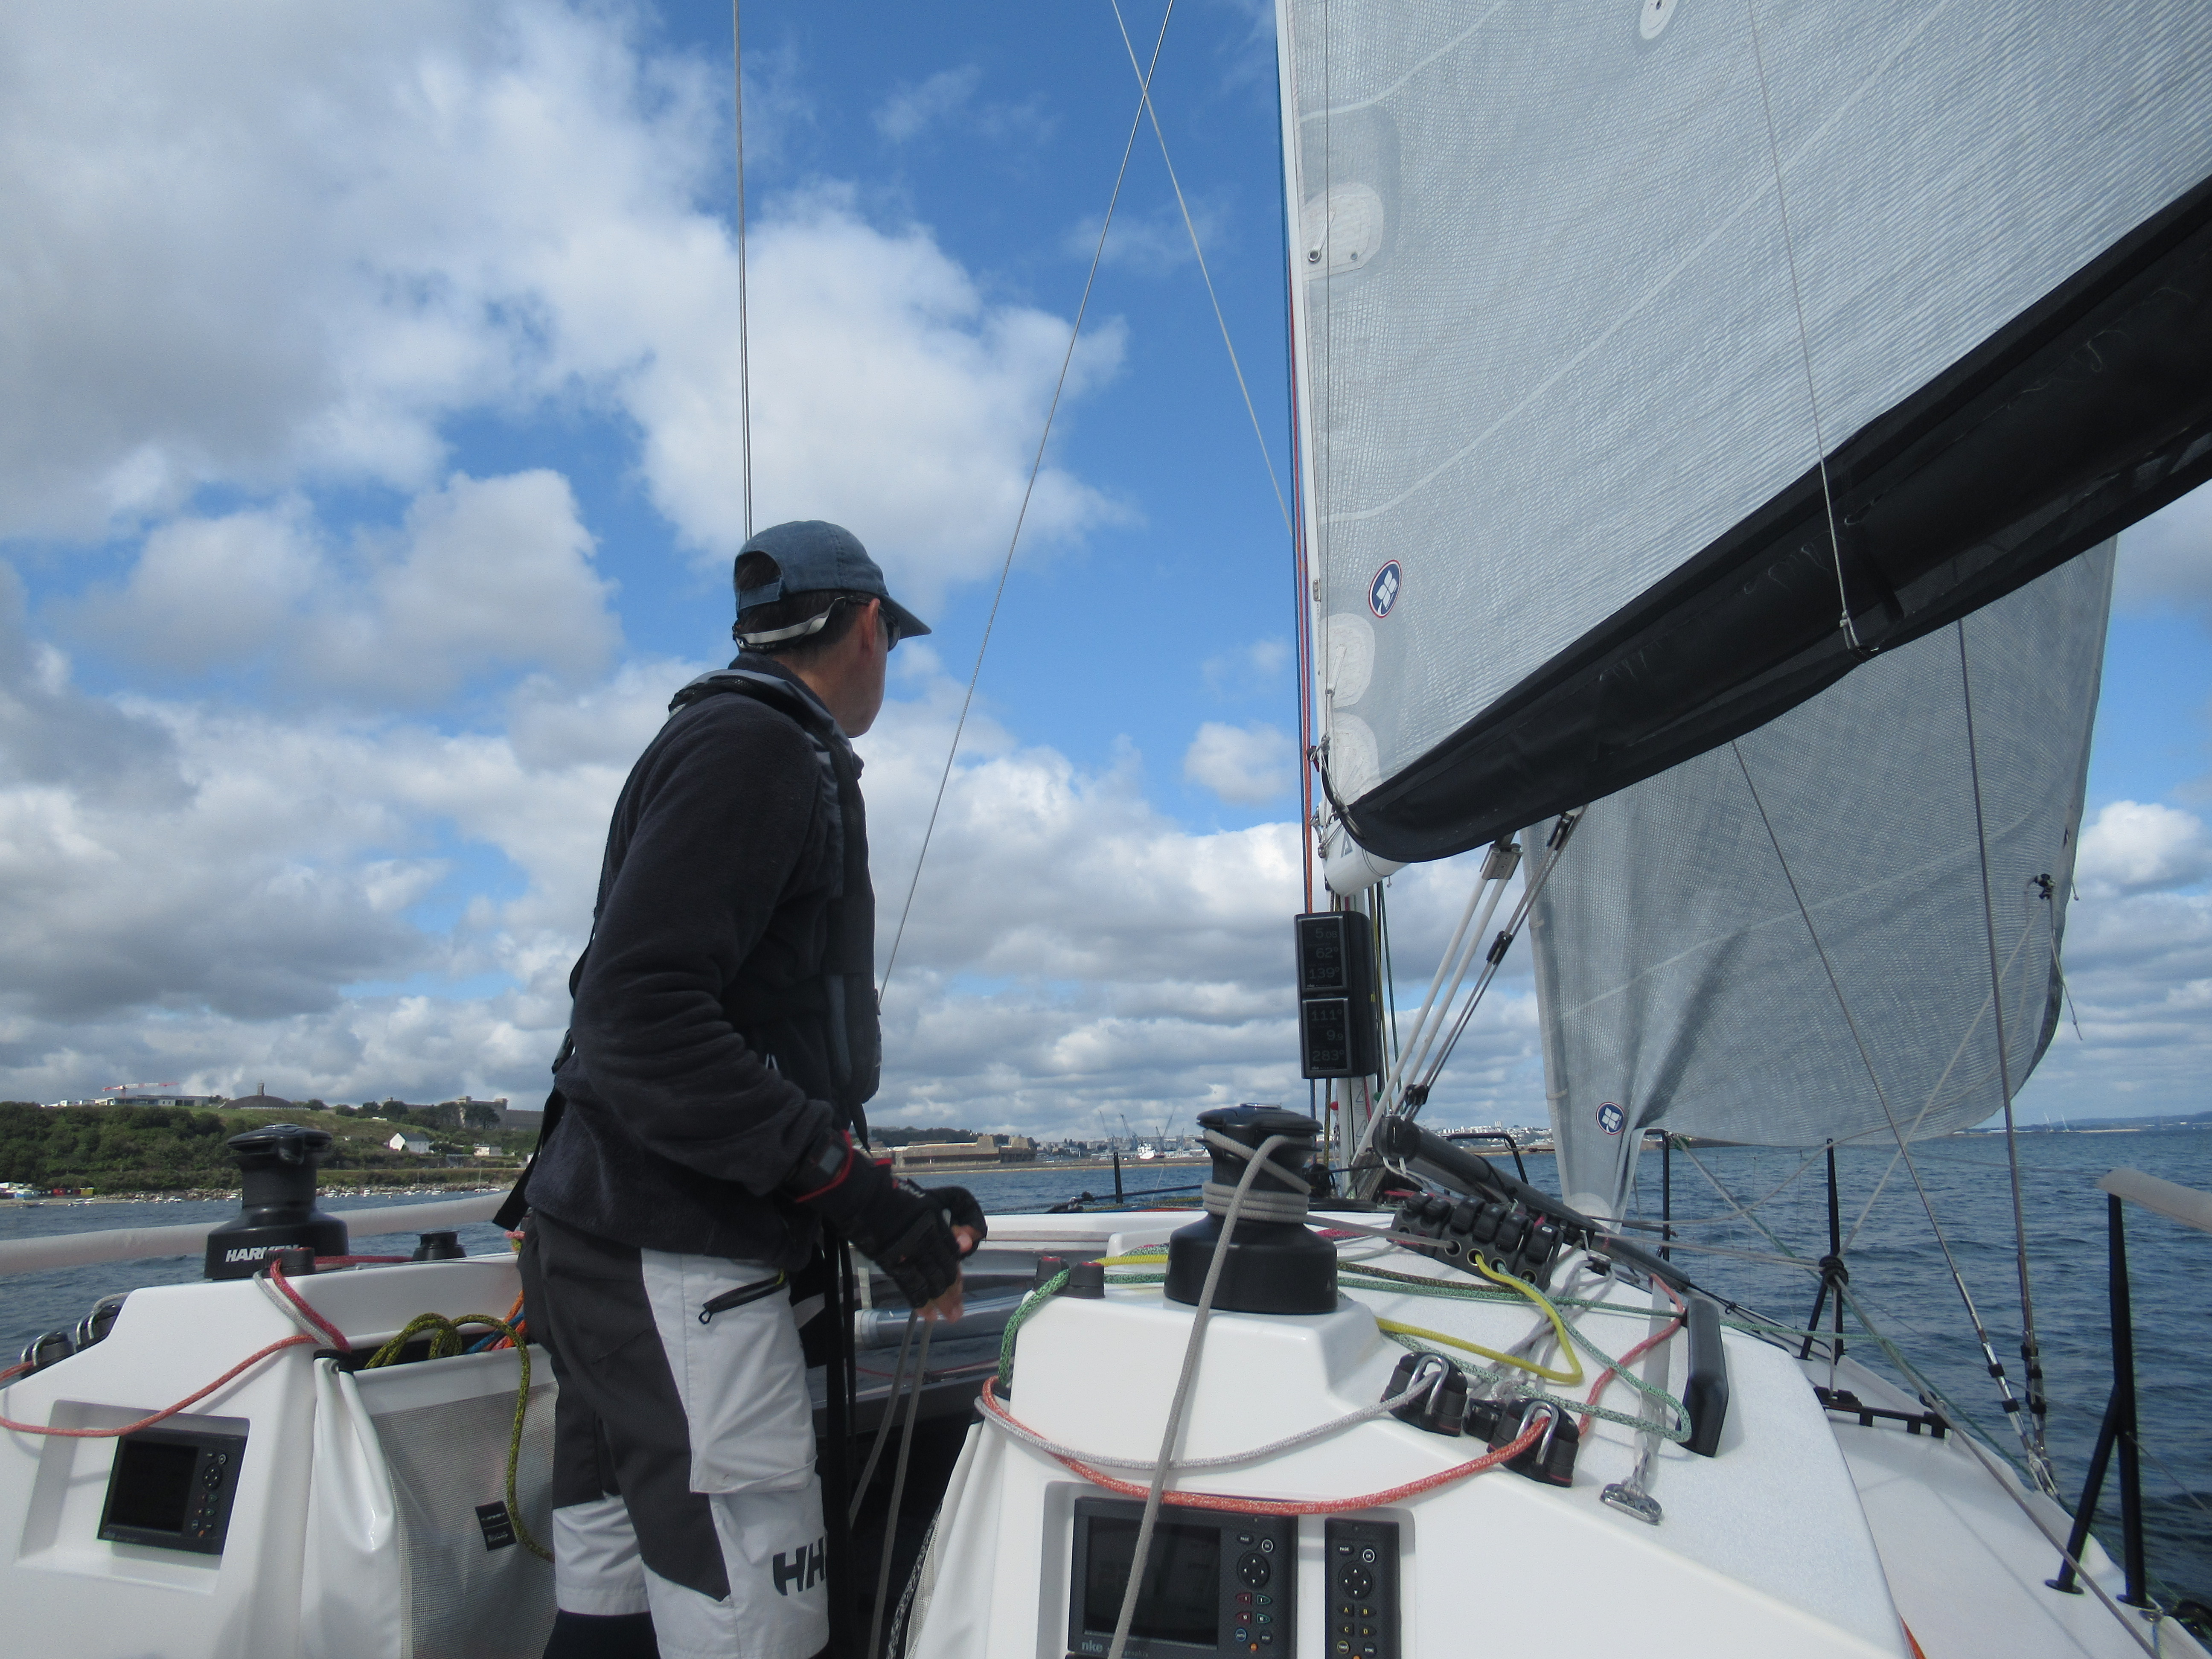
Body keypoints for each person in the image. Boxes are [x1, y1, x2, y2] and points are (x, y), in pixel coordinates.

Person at [510, 520, 985, 1659]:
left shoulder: (718, 740)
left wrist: (877, 1192)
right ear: (867, 626)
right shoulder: (759, 752)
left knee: (615, 1607)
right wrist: (862, 1203)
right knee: (754, 1625)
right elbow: (641, 1018)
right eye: (891, 640)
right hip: (673, 1256)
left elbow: (721, 1027)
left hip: (606, 1247)